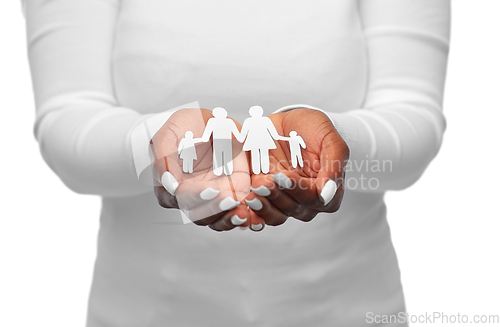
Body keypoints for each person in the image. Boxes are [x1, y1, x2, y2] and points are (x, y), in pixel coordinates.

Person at [21, 0, 450, 326]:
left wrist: (332, 143)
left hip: (351, 309)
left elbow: (412, 119)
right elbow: (68, 120)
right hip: (142, 312)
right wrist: (152, 143)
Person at [239, 105, 284, 174]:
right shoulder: (265, 120)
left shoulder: (248, 121)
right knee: (264, 154)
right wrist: (278, 137)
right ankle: (264, 170)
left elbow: (243, 133)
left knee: (256, 155)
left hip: (253, 141)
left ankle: (257, 170)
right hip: (264, 140)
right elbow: (273, 132)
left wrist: (239, 140)